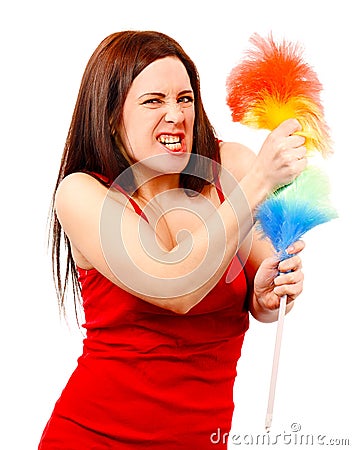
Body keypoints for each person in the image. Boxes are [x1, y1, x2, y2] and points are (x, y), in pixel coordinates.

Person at [38, 30, 306, 449]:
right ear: (111, 116)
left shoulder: (230, 166)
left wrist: (268, 293)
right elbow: (174, 285)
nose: (175, 114)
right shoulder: (82, 194)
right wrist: (257, 183)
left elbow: (261, 298)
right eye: (153, 101)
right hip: (93, 438)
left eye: (185, 98)